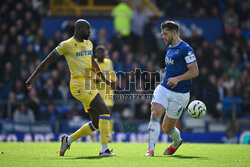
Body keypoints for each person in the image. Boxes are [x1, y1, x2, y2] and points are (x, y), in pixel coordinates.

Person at [25, 19, 117, 157]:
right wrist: (32, 77)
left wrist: (106, 81)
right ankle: (104, 150)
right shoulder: (66, 45)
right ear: (79, 30)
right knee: (105, 110)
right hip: (79, 84)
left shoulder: (89, 43)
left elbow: (93, 64)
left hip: (89, 83)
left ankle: (68, 140)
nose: (90, 32)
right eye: (87, 29)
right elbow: (47, 61)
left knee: (96, 123)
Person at [144, 21, 199, 156]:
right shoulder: (169, 48)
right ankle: (150, 149)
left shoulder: (186, 49)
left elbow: (195, 71)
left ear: (175, 32)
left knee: (167, 128)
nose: (163, 37)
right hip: (164, 88)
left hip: (180, 94)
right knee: (155, 113)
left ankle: (176, 142)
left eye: (165, 34)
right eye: (162, 34)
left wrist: (177, 79)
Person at [93, 45, 117, 142]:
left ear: (105, 53)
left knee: (108, 113)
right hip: (97, 93)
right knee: (97, 115)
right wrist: (95, 80)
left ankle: (109, 133)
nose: (100, 54)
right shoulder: (92, 63)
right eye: (99, 53)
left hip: (107, 92)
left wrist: (114, 81)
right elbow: (90, 77)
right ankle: (95, 132)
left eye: (102, 53)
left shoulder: (109, 62)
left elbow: (112, 75)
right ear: (96, 54)